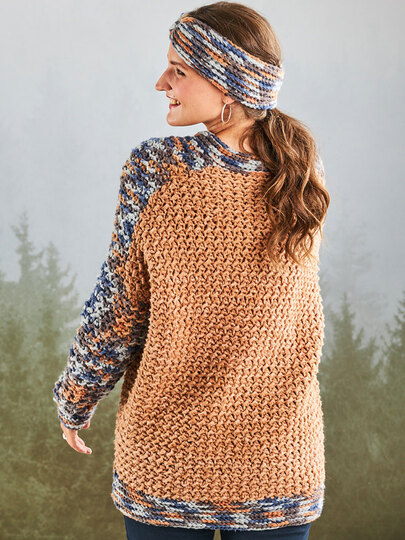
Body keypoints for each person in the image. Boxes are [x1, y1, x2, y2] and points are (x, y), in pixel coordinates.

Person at [52, 2, 330, 539]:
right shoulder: (301, 168)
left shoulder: (157, 169)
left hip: (167, 462)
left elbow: (119, 309)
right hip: (281, 462)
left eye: (178, 70)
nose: (161, 82)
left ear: (228, 84)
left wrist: (75, 398)